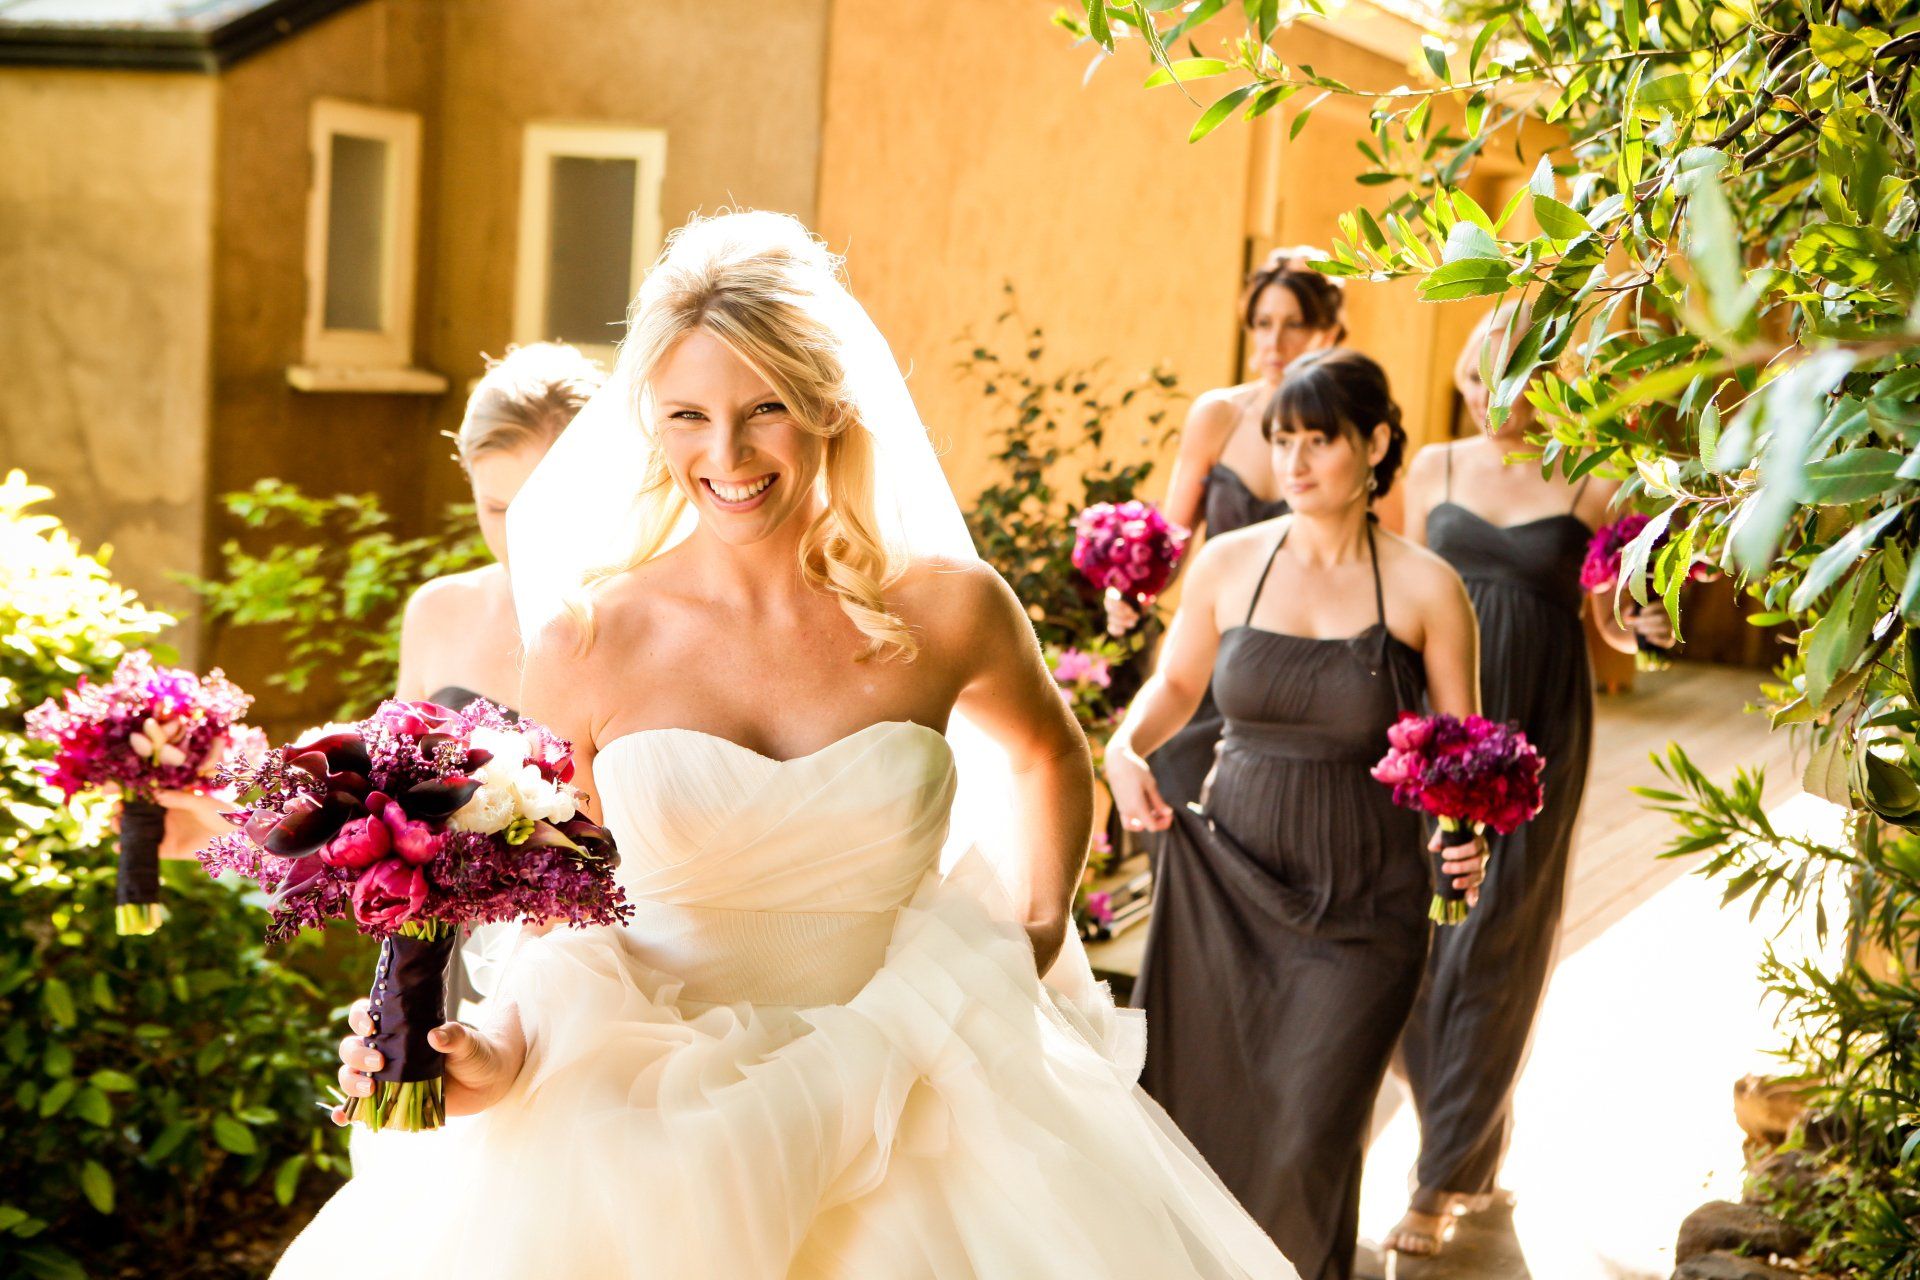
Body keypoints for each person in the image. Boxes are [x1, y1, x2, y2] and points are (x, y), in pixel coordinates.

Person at [274, 211, 1297, 1278]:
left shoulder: (948, 612)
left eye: (764, 408)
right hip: (642, 1110)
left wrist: (1024, 943)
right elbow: (554, 912)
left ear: (828, 401)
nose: (727, 454)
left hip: (911, 1094)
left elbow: (1050, 759)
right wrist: (495, 1050)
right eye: (688, 414)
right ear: (650, 425)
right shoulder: (588, 639)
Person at [1104, 349, 1485, 1280]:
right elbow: (1180, 683)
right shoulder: (1230, 564)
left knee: (1311, 1137)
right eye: (1284, 439)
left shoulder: (1429, 587)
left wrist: (1467, 836)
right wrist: (1123, 748)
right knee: (1204, 1128)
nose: (1297, 460)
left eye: (1322, 439)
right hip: (1229, 883)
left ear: (1378, 444)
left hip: (1366, 905)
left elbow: (1465, 750)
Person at [1384, 306, 1667, 1257]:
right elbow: (1390, 596)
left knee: (1502, 936)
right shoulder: (1432, 470)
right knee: (1417, 934)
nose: (1493, 390)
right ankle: (1474, 1144)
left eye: (1515, 368)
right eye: (1481, 372)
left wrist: (1648, 621)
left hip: (1541, 724)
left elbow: (1615, 618)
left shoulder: (1595, 474)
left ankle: (1437, 1182)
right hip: (1439, 721)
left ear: (1551, 372)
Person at [1109, 250, 1345, 837]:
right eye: (1263, 323)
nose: (1275, 341)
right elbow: (1171, 540)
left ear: (1329, 330)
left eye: (1294, 323)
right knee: (1182, 815)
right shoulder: (1216, 416)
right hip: (1208, 650)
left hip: (1299, 658)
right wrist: (1131, 591)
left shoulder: (1345, 434)